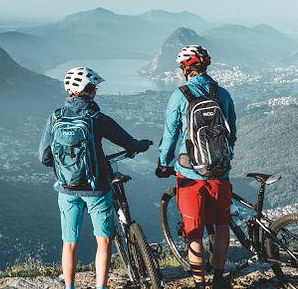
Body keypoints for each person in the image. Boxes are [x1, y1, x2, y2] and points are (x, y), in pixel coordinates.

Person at [39, 67, 152, 289]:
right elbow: (128, 142)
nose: (96, 91)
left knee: (69, 243)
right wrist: (140, 145)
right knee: (103, 241)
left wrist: (68, 167)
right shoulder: (96, 118)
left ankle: (70, 286)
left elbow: (44, 157)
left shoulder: (56, 117)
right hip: (97, 189)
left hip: (66, 189)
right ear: (90, 91)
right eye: (94, 88)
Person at [155, 46, 237, 289]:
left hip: (190, 174)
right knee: (222, 225)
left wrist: (163, 163)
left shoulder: (180, 96)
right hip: (220, 172)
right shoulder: (222, 93)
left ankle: (200, 283)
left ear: (185, 68)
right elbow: (230, 131)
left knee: (194, 232)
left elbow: (170, 136)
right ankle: (219, 279)